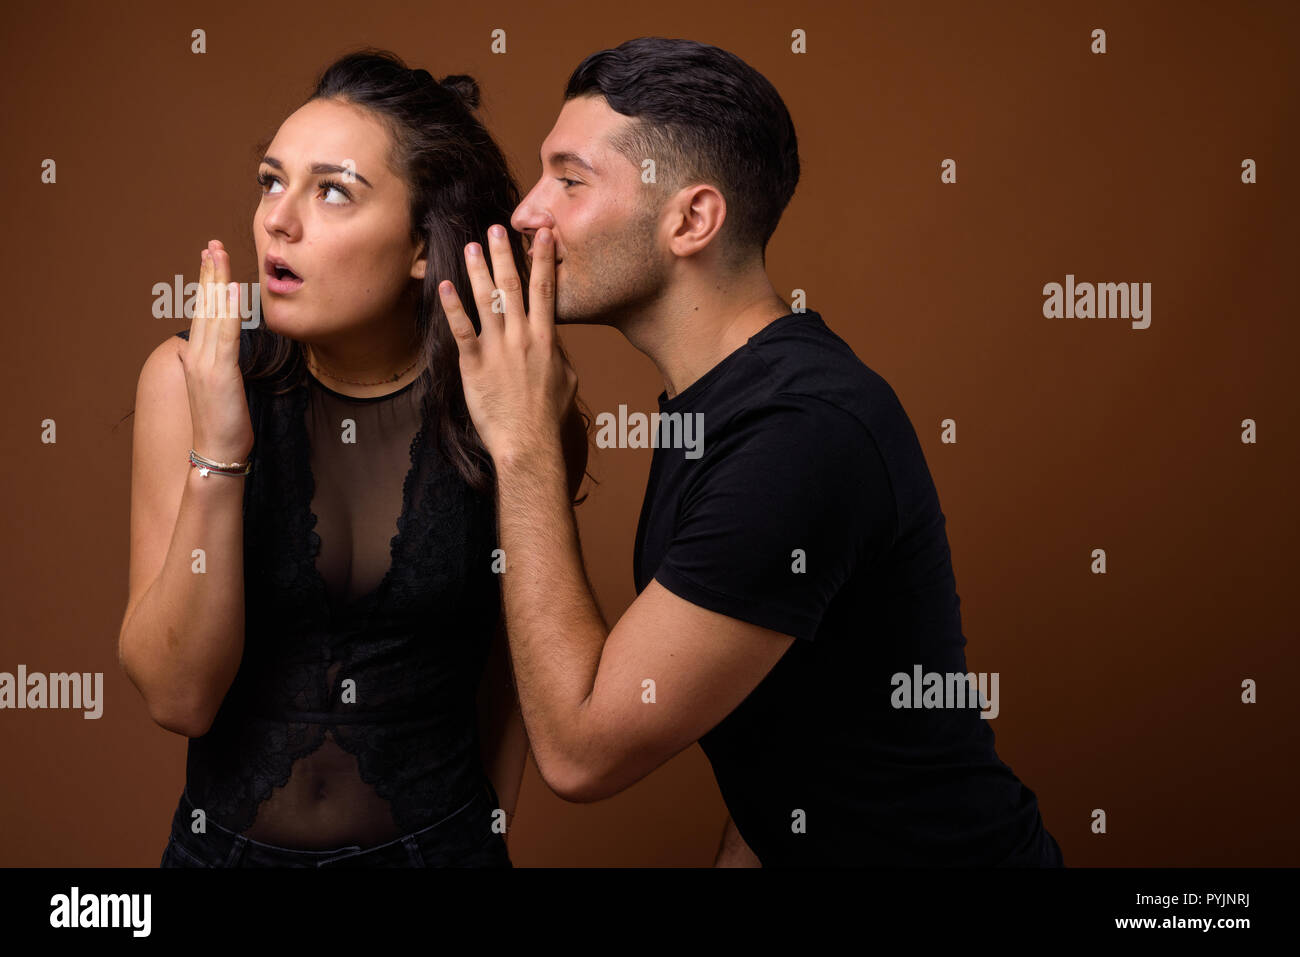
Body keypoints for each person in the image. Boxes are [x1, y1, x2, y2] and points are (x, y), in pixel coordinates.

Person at [436, 36, 1064, 867]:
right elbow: (787, 744)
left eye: (570, 179)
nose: (526, 212)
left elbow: (580, 751)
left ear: (691, 219)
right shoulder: (728, 404)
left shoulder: (801, 431)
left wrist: (521, 448)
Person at [118, 49, 587, 867]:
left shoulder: (509, 401)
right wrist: (220, 455)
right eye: (272, 180)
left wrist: (486, 840)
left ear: (420, 247)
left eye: (332, 191)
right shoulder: (187, 378)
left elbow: (517, 672)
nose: (277, 219)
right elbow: (178, 695)